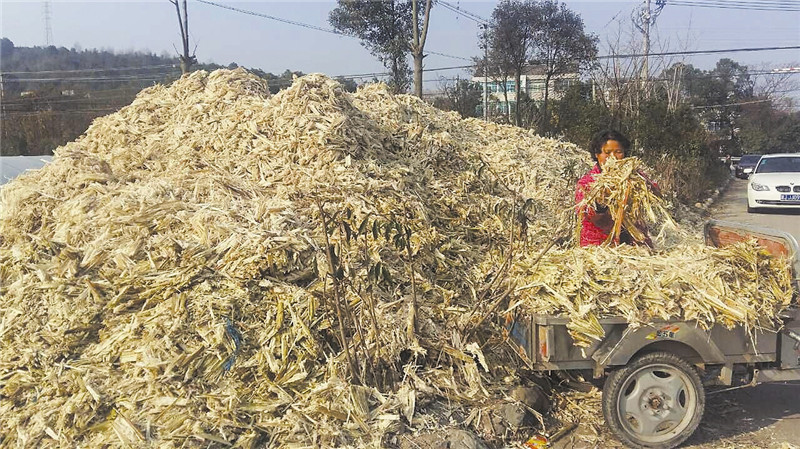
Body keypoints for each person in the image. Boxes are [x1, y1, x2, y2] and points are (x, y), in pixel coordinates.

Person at [575, 130, 656, 247]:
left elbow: (655, 194)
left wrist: (645, 188)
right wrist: (602, 203)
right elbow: (594, 218)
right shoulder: (588, 183)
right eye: (607, 152)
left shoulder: (635, 177)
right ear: (597, 154)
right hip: (600, 247)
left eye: (618, 152)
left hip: (635, 245)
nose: (612, 157)